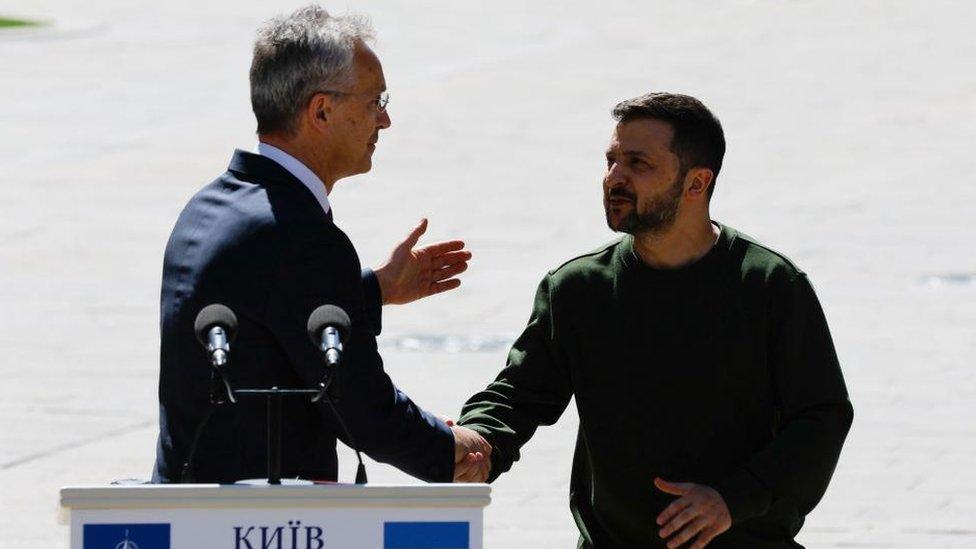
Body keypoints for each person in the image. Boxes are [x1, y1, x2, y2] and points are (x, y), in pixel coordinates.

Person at [457, 93, 853, 548]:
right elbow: (519, 395)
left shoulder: (769, 285)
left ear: (696, 183)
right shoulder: (578, 287)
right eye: (611, 160)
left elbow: (822, 417)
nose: (614, 178)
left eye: (637, 164)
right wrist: (480, 441)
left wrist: (733, 499)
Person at [152, 5, 489, 485]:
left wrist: (374, 290)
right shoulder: (300, 236)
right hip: (261, 523)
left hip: (191, 509)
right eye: (376, 101)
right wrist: (448, 449)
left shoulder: (211, 205)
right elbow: (357, 404)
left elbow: (266, 310)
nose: (386, 120)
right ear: (321, 110)